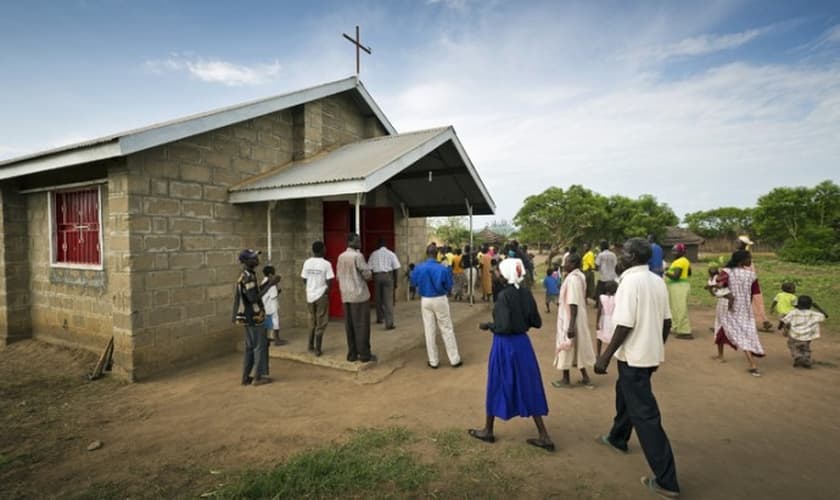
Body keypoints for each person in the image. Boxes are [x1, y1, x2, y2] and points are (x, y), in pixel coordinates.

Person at [593, 237, 680, 499]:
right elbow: (667, 322)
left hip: (633, 358)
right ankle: (618, 437)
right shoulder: (656, 280)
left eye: (624, 252)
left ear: (631, 257)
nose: (620, 255)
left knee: (646, 416)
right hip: (647, 356)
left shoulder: (629, 282)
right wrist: (656, 349)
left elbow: (624, 324)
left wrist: (604, 357)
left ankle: (667, 480)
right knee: (625, 393)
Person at [468, 257, 554, 451]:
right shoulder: (525, 293)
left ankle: (488, 430)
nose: (495, 273)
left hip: (504, 345)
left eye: (498, 271)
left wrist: (488, 325)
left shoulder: (504, 296)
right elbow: (536, 322)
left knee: (497, 383)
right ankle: (543, 435)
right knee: (528, 385)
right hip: (523, 345)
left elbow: (503, 326)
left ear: (505, 275)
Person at [411, 243, 462, 368]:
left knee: (429, 330)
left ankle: (433, 361)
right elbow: (449, 285)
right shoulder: (442, 268)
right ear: (437, 254)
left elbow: (413, 282)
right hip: (440, 298)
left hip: (425, 299)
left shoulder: (419, 268)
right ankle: (454, 359)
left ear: (426, 254)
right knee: (446, 328)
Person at [714, 250, 765, 376]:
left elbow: (720, 285)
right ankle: (723, 356)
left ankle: (751, 364)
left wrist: (715, 285)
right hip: (744, 307)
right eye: (749, 258)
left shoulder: (726, 271)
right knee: (744, 332)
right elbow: (754, 293)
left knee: (723, 327)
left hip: (727, 305)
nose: (751, 261)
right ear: (742, 260)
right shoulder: (751, 275)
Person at [232, 249, 279, 386]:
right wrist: (270, 284)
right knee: (260, 345)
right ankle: (258, 377)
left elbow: (254, 291)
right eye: (253, 258)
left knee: (250, 347)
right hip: (254, 316)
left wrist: (268, 282)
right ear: (246, 262)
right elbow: (253, 298)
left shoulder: (247, 275)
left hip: (248, 317)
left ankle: (246, 377)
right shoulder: (249, 277)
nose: (257, 259)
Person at [553, 253, 595, 388]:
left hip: (571, 317)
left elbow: (573, 302)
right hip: (575, 316)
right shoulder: (578, 276)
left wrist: (571, 325)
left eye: (567, 262)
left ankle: (565, 379)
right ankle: (585, 377)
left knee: (567, 345)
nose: (564, 265)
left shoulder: (573, 280)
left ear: (573, 264)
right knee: (578, 346)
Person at [337, 233, 376, 363]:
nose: (360, 242)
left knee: (350, 326)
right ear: (351, 242)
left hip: (346, 295)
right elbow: (367, 275)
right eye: (357, 240)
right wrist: (370, 272)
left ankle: (352, 354)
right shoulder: (358, 256)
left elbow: (338, 276)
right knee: (362, 326)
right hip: (359, 296)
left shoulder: (341, 257)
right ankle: (364, 354)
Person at [300, 241, 334, 357]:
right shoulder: (326, 264)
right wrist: (327, 291)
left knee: (312, 319)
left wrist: (310, 287)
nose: (326, 250)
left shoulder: (307, 262)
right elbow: (330, 280)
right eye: (324, 248)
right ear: (321, 250)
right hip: (321, 295)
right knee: (321, 321)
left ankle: (310, 345)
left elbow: (304, 278)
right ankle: (318, 348)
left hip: (310, 295)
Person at [779, 295, 828, 368]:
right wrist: (817, 307)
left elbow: (784, 320)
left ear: (797, 304)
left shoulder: (793, 312)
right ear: (810, 305)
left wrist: (780, 326)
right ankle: (806, 360)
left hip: (794, 336)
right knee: (806, 348)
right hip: (807, 337)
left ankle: (798, 357)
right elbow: (825, 316)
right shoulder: (813, 314)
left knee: (793, 346)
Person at [737, 235, 774, 332]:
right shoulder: (746, 253)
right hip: (752, 280)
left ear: (741, 243)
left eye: (737, 241)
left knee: (746, 301)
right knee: (757, 301)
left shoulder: (741, 254)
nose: (736, 243)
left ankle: (744, 322)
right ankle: (764, 320)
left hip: (745, 280)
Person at [368, 238, 401, 330]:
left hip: (377, 276)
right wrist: (395, 282)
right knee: (388, 300)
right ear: (385, 245)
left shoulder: (373, 254)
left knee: (378, 298)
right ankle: (389, 323)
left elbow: (369, 268)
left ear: (378, 245)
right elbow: (396, 268)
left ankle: (380, 318)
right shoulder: (391, 254)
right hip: (388, 276)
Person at [705, 267, 733, 362]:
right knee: (719, 326)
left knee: (722, 327)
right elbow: (713, 294)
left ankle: (721, 355)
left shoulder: (721, 280)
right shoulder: (711, 280)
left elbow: (723, 289)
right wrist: (710, 288)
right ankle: (720, 355)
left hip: (726, 302)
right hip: (721, 302)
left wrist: (712, 286)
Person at [665, 243, 692, 339]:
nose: (673, 252)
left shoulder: (680, 261)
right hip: (680, 286)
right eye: (673, 250)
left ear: (682, 252)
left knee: (680, 308)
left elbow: (676, 277)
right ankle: (676, 327)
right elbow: (689, 273)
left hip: (678, 286)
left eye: (675, 250)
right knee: (675, 308)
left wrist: (666, 272)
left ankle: (685, 331)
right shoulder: (684, 261)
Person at [596, 281, 618, 357]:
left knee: (599, 336)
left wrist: (597, 322)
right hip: (613, 319)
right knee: (613, 337)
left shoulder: (602, 297)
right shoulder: (617, 299)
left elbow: (599, 310)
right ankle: (612, 353)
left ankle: (598, 353)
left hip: (603, 319)